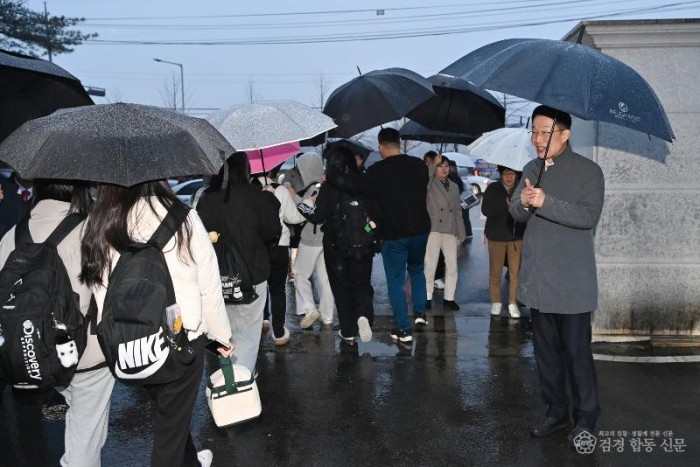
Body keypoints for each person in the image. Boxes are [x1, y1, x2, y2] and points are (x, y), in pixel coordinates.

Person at [80, 180, 233, 467]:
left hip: (127, 341)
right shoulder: (183, 217)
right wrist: (221, 337)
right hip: (181, 339)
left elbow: (98, 288)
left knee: (171, 415)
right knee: (169, 428)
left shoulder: (99, 219)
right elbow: (209, 285)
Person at [0, 180, 114, 467]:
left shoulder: (13, 235)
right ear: (78, 188)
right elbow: (108, 293)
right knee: (85, 436)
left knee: (64, 421)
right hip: (86, 354)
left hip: (32, 352)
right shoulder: (89, 230)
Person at [509, 105, 604, 443]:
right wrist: (523, 201)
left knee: (577, 355)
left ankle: (587, 415)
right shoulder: (531, 168)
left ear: (565, 133)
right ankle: (556, 411)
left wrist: (545, 200)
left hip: (572, 285)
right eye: (534, 131)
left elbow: (587, 216)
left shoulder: (588, 172)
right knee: (546, 356)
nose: (537, 139)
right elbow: (516, 215)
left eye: (544, 132)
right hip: (539, 282)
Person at [336, 128, 430, 344]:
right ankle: (420, 314)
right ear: (400, 143)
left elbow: (363, 193)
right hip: (421, 228)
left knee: (396, 281)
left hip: (394, 232)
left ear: (380, 146)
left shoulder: (376, 171)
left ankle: (404, 330)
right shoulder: (418, 166)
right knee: (417, 270)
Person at [197, 152, 281, 370]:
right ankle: (241, 382)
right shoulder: (257, 197)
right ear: (245, 170)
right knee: (248, 333)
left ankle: (224, 377)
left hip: (216, 277)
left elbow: (199, 237)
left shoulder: (206, 199)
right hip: (252, 272)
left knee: (222, 332)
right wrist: (270, 200)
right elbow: (272, 234)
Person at [295, 145, 377, 345]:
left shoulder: (329, 188)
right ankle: (364, 315)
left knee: (341, 288)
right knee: (362, 284)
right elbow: (377, 213)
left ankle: (348, 331)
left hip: (336, 246)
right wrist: (369, 232)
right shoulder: (364, 183)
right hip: (363, 245)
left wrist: (303, 205)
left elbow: (318, 217)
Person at [482, 165, 526, 318]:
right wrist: (505, 204)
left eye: (512, 173)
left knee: (515, 272)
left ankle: (513, 302)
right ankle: (496, 302)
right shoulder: (493, 188)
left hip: (516, 236)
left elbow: (528, 211)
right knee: (495, 271)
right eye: (506, 173)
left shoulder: (521, 189)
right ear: (500, 175)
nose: (509, 177)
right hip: (496, 236)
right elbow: (485, 210)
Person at [424, 155, 466, 312]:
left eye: (446, 166)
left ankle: (449, 298)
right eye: (440, 166)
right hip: (433, 229)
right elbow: (424, 180)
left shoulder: (454, 186)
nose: (444, 169)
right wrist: (432, 165)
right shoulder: (429, 184)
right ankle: (427, 297)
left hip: (449, 230)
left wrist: (461, 230)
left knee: (452, 266)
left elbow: (457, 210)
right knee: (430, 266)